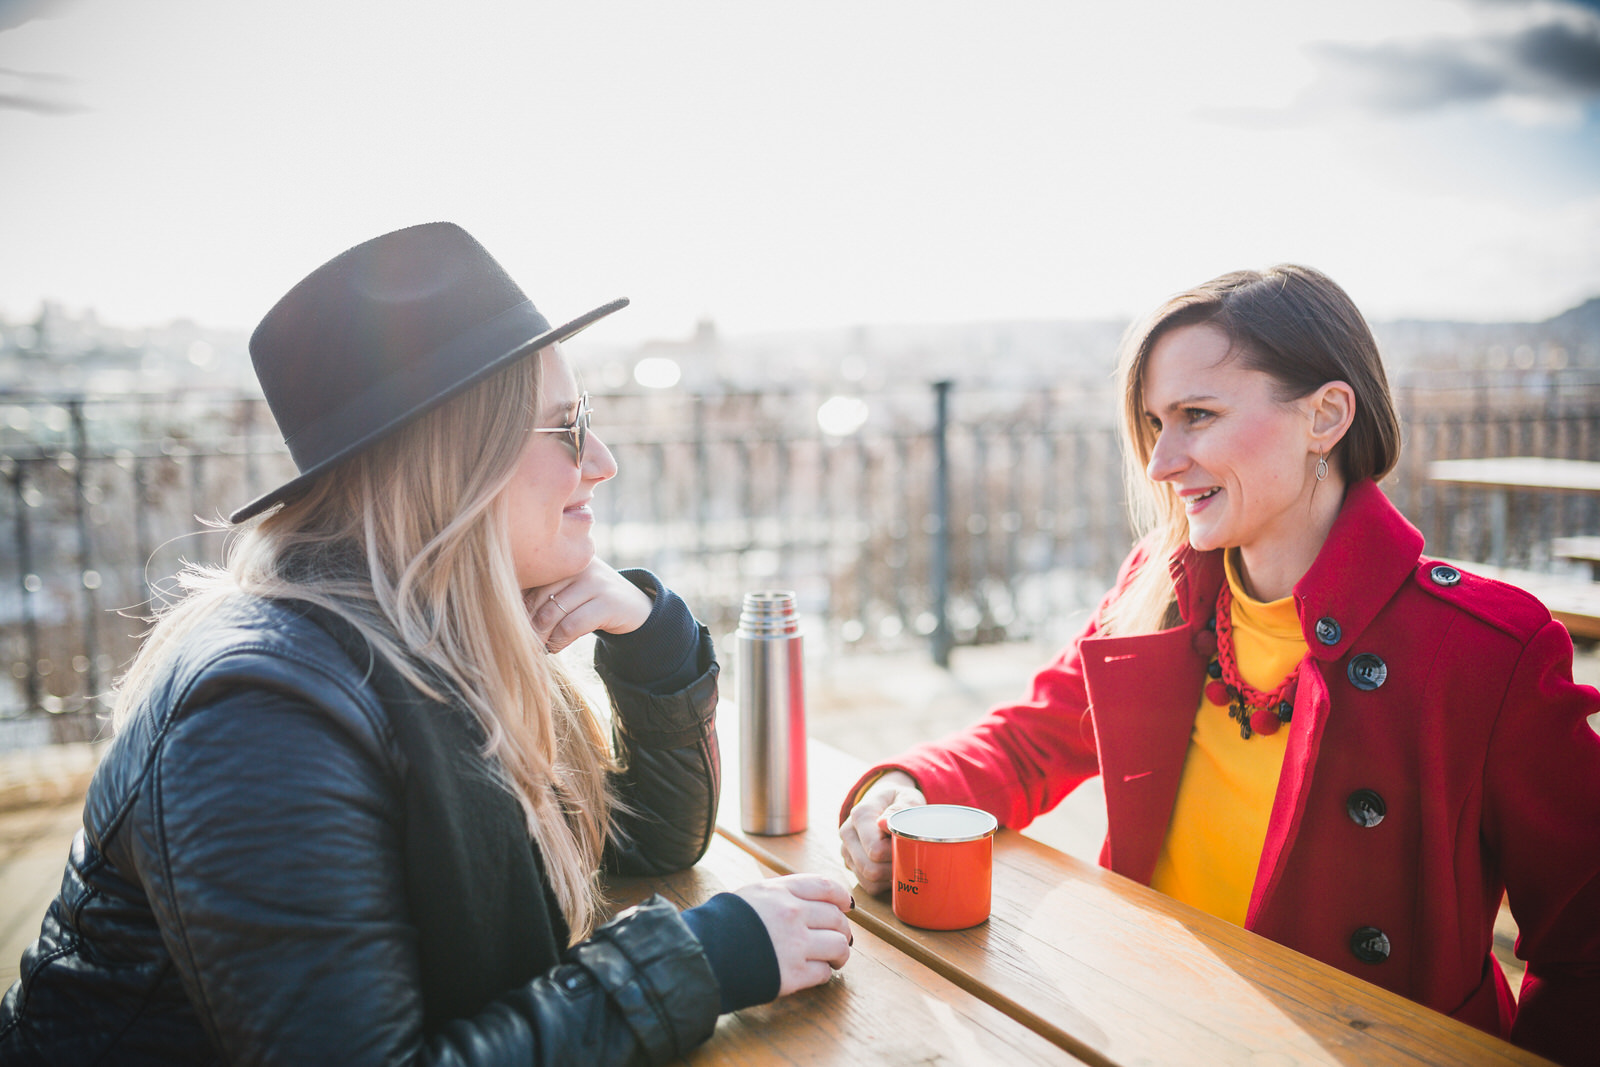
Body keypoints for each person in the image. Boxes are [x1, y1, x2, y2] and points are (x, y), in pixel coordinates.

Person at [0, 223, 852, 1065]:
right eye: (564, 427)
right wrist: (699, 961)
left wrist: (651, 641)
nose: (603, 459)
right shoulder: (261, 715)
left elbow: (638, 850)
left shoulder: (435, 634)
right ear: (451, 464)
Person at [838, 265, 1600, 1066]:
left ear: (1326, 416)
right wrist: (912, 787)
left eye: (1196, 415)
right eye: (1155, 422)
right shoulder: (1157, 587)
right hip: (1143, 1026)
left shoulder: (1487, 649)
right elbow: (1033, 739)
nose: (1162, 462)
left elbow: (1586, 951)